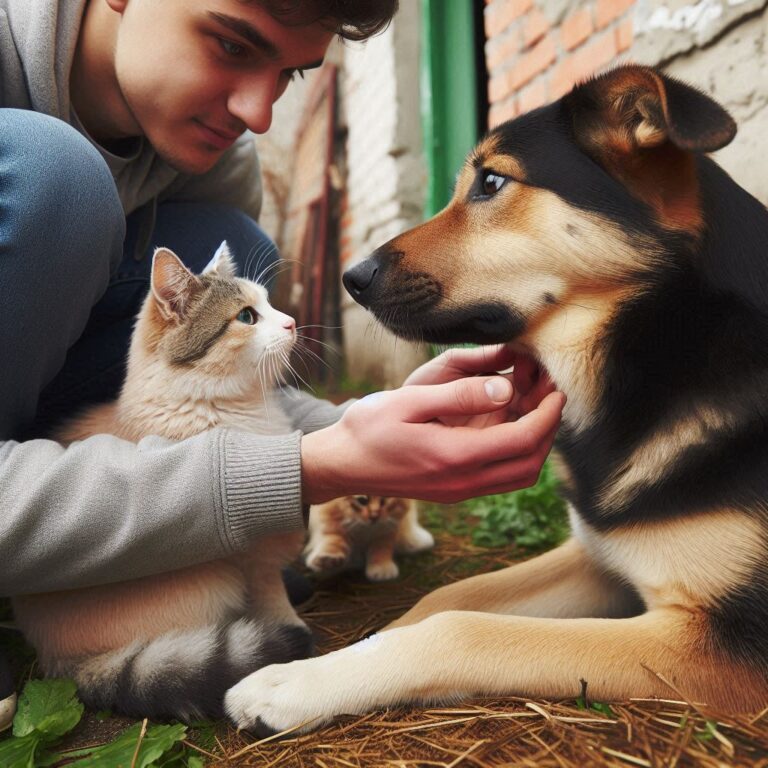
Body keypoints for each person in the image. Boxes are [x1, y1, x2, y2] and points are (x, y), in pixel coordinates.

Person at [0, 0, 565, 726]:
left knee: (228, 238)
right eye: (232, 45)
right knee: (55, 180)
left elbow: (211, 388)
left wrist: (361, 427)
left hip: (74, 417)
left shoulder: (215, 155)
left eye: (290, 76)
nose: (258, 114)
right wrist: (305, 470)